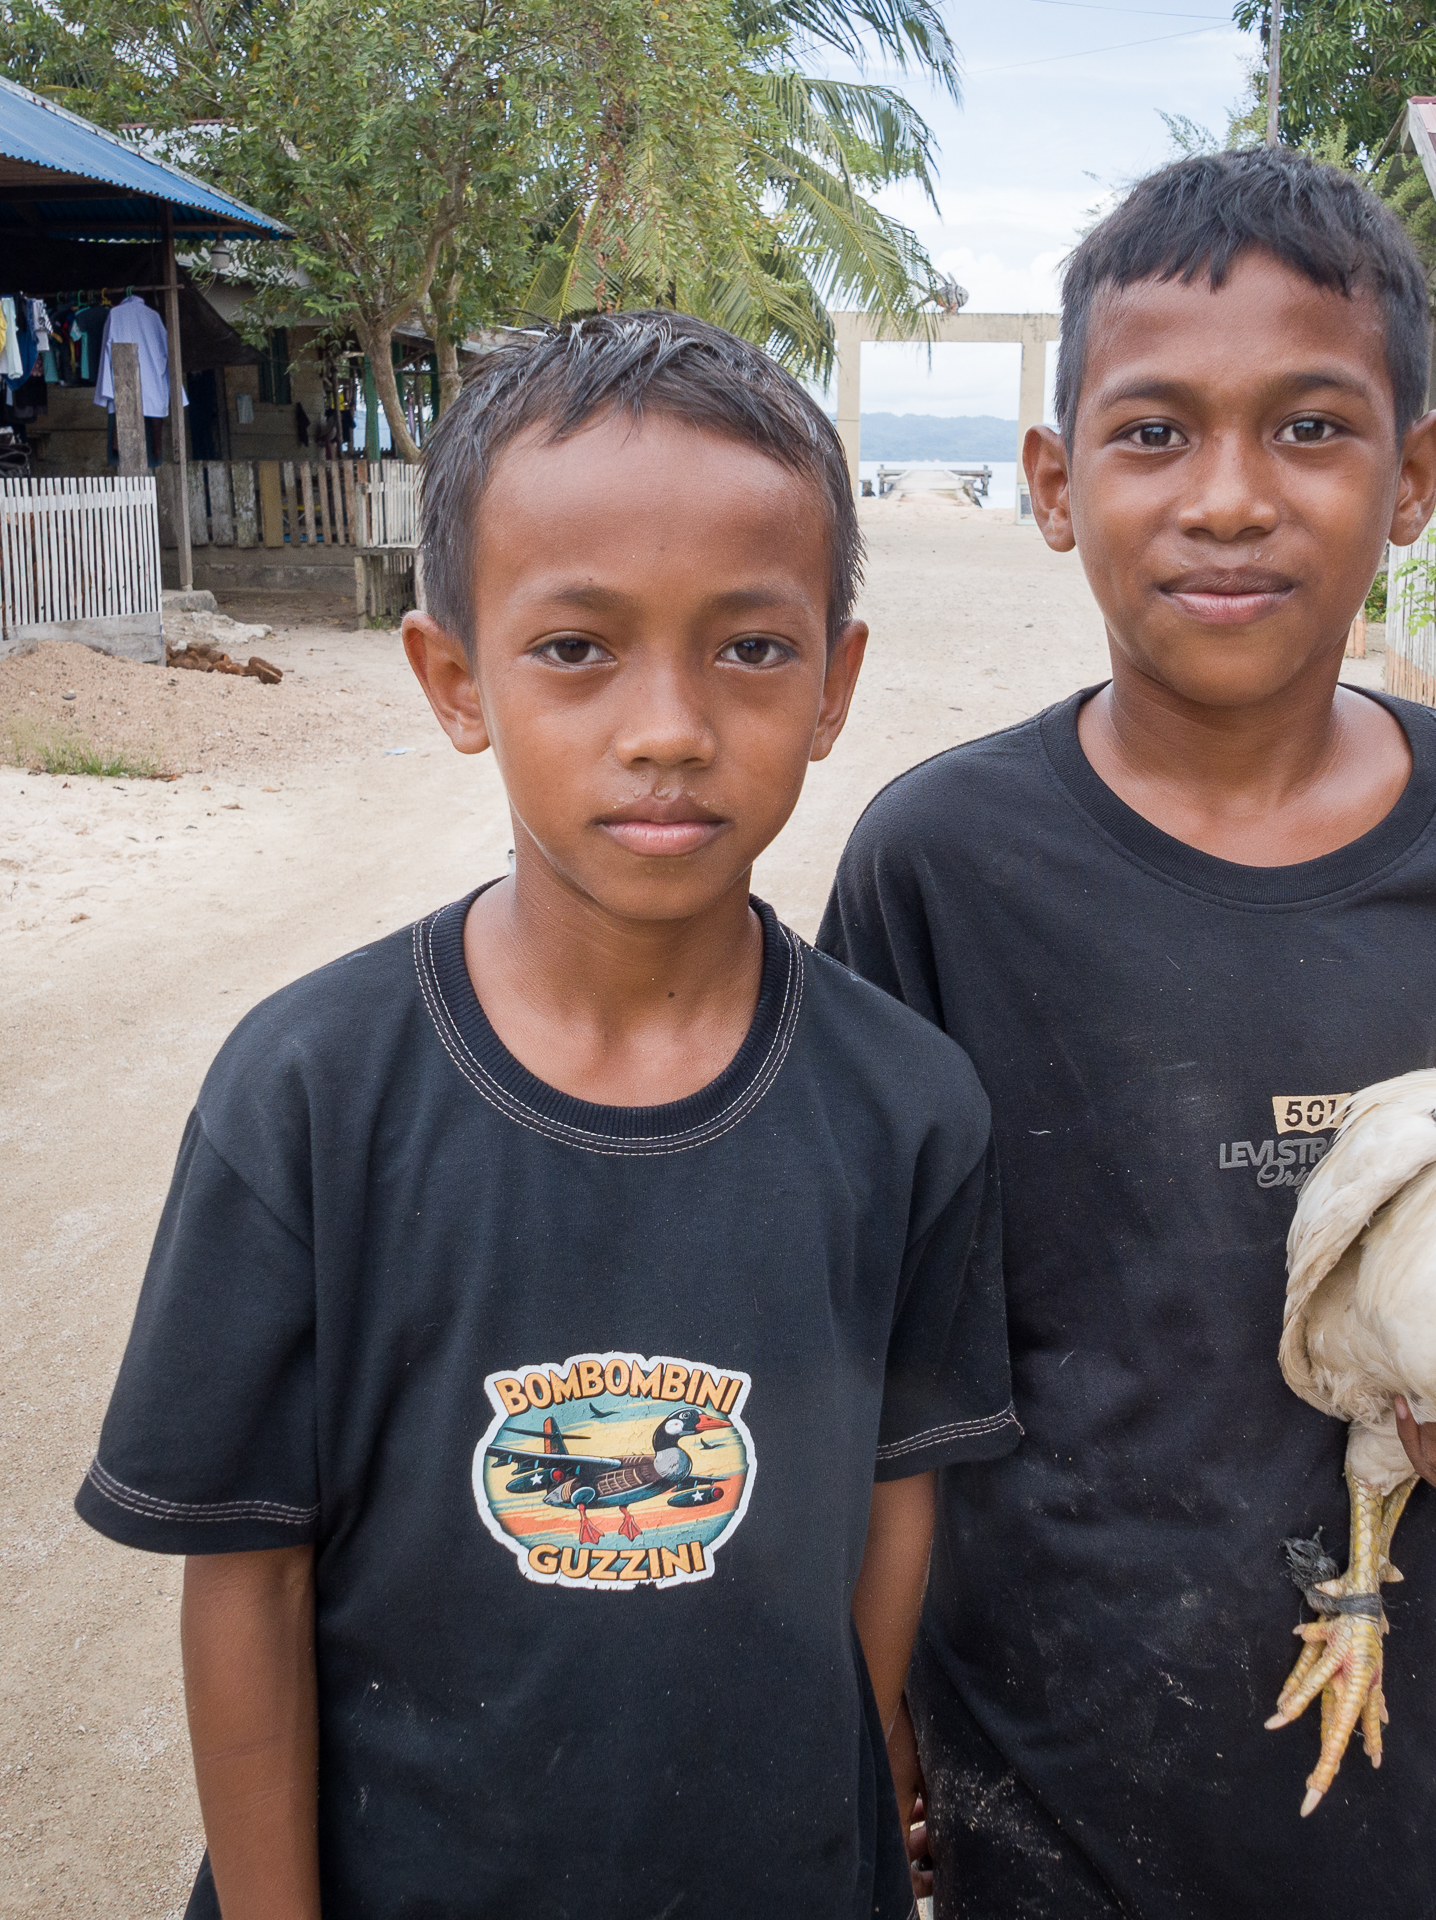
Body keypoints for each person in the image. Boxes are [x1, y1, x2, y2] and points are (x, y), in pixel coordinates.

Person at [74, 312, 1018, 1920]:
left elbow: (893, 1511)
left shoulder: (910, 1109)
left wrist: (850, 1817)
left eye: (751, 647)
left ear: (837, 682)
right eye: (577, 648)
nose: (669, 727)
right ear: (455, 680)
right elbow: (245, 1582)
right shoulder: (306, 1097)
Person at [818, 147, 1436, 1917]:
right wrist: (867, 1694)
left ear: (1414, 476)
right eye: (1155, 432)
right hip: (1036, 1754)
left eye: (1310, 429)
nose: (1228, 499)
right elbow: (867, 1339)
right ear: (1055, 483)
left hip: (1396, 1745)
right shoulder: (939, 863)